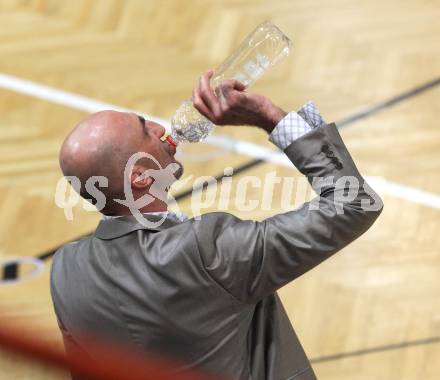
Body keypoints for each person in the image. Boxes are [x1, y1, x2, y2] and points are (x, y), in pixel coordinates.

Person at [51, 70, 383, 380]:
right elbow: (354, 204)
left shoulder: (65, 272)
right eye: (144, 127)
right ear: (139, 176)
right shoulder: (206, 251)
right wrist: (270, 117)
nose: (159, 127)